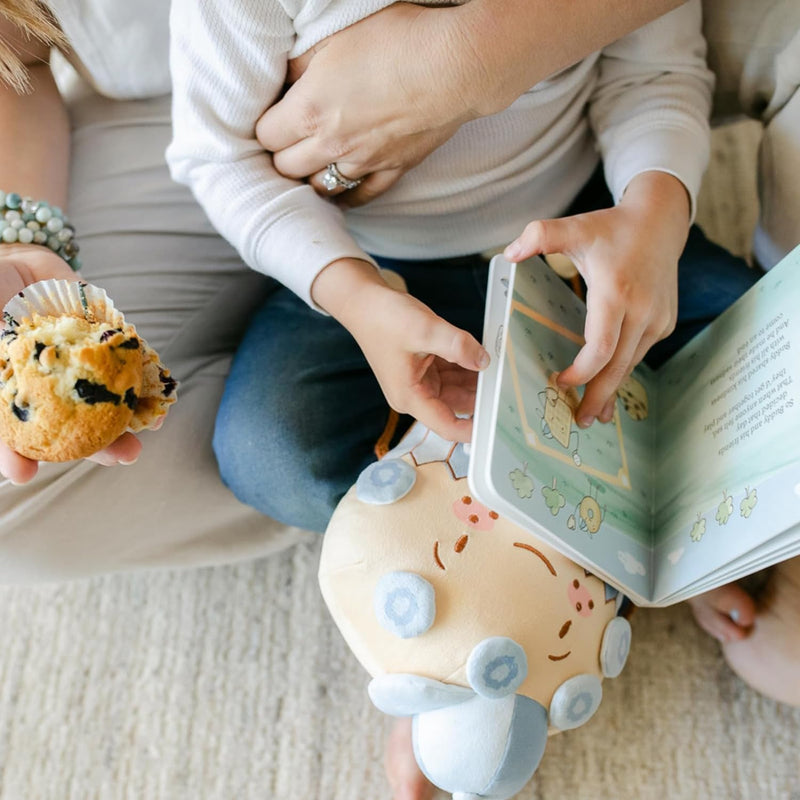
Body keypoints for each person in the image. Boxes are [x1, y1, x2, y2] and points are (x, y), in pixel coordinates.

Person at [165, 4, 766, 799]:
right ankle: (452, 630)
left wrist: (652, 218)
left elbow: (652, 75)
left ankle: (645, 539)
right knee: (273, 447)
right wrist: (351, 296)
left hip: (577, 226)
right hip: (373, 267)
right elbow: (219, 157)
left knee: (751, 348)